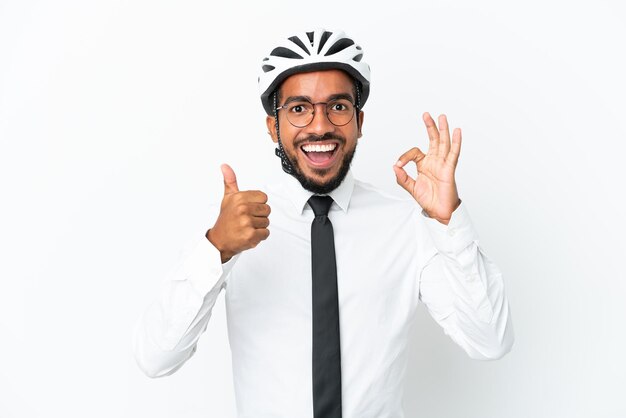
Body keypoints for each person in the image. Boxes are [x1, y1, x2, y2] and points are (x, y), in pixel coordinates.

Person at [133, 29, 514, 417]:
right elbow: (156, 357)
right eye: (299, 108)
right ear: (272, 127)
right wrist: (217, 249)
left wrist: (448, 222)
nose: (320, 127)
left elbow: (490, 341)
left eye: (338, 107)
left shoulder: (406, 225)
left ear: (359, 120)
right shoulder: (235, 224)